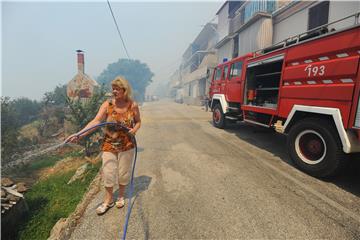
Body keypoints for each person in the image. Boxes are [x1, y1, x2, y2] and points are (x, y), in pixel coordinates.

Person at [66, 76, 141, 215]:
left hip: (127, 145)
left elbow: (138, 121)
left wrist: (134, 130)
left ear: (125, 90)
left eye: (117, 89)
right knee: (108, 172)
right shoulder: (107, 105)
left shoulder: (133, 105)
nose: (114, 91)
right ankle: (108, 200)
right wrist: (79, 134)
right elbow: (96, 121)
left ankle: (120, 196)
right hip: (109, 145)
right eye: (113, 88)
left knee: (123, 172)